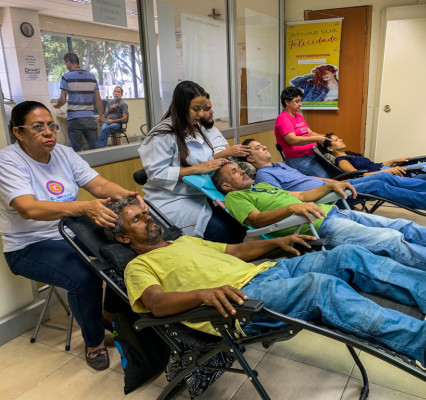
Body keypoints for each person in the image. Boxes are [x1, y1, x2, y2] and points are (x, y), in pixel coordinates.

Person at [107, 198, 426, 382]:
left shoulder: (184, 241)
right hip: (237, 306)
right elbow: (155, 304)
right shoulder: (138, 266)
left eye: (145, 213)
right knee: (323, 289)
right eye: (137, 220)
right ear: (124, 238)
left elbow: (235, 250)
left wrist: (278, 241)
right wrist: (202, 295)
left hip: (267, 272)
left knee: (346, 254)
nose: (147, 219)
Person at [212, 163, 426, 291]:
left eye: (240, 169)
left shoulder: (261, 187)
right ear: (225, 186)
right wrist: (291, 209)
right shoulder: (236, 198)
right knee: (393, 242)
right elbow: (255, 221)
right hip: (317, 228)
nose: (242, 171)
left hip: (333, 213)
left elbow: (302, 195)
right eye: (234, 172)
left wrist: (330, 186)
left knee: (404, 227)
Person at [0, 101, 146, 371]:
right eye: (38, 127)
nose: (48, 132)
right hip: (29, 245)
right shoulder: (8, 161)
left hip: (71, 230)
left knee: (126, 248)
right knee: (84, 276)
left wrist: (127, 195)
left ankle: (108, 314)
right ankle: (94, 343)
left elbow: (99, 185)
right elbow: (28, 208)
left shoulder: (64, 153)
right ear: (18, 132)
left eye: (51, 126)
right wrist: (83, 207)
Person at [239, 139, 426, 219]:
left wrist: (329, 182)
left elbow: (306, 177)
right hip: (325, 198)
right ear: (249, 158)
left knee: (383, 179)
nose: (264, 148)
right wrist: (322, 191)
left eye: (262, 145)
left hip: (331, 188)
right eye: (258, 148)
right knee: (378, 182)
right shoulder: (264, 175)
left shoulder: (279, 165)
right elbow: (281, 198)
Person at [138, 81, 246, 244]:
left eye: (203, 108)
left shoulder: (197, 128)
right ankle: (212, 259)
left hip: (201, 194)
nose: (201, 113)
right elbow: (157, 174)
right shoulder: (161, 134)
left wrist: (219, 165)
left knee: (240, 223)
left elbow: (207, 157)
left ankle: (231, 259)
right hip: (172, 198)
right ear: (181, 107)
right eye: (196, 109)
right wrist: (196, 169)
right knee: (220, 231)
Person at [274, 86, 336, 178]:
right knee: (325, 177)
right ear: (287, 102)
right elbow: (292, 140)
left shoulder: (298, 115)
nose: (300, 104)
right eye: (297, 101)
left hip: (312, 154)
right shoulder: (283, 119)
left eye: (300, 101)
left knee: (335, 172)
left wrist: (327, 137)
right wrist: (316, 139)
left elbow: (310, 133)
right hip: (297, 159)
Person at [53, 52, 102, 152]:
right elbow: (98, 99)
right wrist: (101, 116)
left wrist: (57, 106)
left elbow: (62, 100)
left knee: (77, 151)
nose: (65, 66)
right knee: (96, 149)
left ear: (68, 61)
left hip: (74, 119)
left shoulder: (66, 77)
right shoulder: (92, 77)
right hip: (90, 118)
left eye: (65, 63)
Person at [200, 93, 251, 159]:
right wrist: (229, 152)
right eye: (207, 109)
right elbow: (205, 161)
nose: (212, 112)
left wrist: (237, 151)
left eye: (211, 108)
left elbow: (227, 148)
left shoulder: (213, 129)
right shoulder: (195, 135)